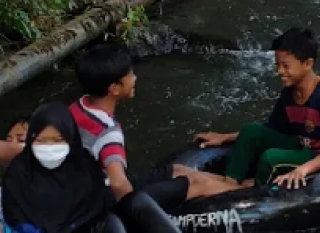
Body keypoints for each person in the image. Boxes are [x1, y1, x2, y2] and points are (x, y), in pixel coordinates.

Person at [3, 103, 216, 233]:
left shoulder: (82, 163)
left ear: (70, 139)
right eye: (41, 141)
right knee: (108, 224)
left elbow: (100, 201)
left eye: (58, 140)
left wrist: (133, 216)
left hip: (96, 228)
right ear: (32, 140)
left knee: (136, 200)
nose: (49, 148)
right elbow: (20, 224)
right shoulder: (19, 175)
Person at [70, 43, 239, 210]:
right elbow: (118, 183)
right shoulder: (107, 132)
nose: (135, 78)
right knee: (197, 183)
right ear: (115, 88)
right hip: (103, 200)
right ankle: (253, 194)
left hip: (88, 187)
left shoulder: (78, 106)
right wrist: (134, 214)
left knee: (178, 170)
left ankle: (239, 188)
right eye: (130, 75)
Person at [195, 28, 320, 191]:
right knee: (250, 131)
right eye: (277, 65)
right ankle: (230, 184)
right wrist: (225, 137)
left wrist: (302, 170)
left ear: (307, 64)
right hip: (300, 143)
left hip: (319, 153)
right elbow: (273, 128)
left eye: (286, 66)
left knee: (271, 158)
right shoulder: (289, 92)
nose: (279, 72)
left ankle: (253, 190)